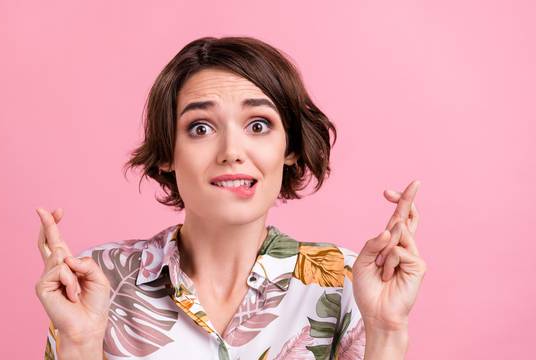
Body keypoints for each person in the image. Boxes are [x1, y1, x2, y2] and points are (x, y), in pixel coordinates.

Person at [34, 36, 426, 360]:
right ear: (168, 151)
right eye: (201, 128)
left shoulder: (347, 281)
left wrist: (388, 330)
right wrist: (80, 342)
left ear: (289, 147)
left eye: (258, 125)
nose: (231, 151)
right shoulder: (101, 280)